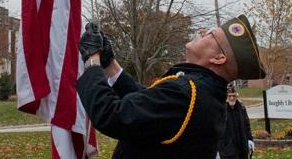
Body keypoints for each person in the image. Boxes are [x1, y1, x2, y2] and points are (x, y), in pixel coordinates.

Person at [76, 15, 266, 159]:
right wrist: (109, 64)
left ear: (218, 58)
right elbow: (151, 104)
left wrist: (92, 62)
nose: (202, 32)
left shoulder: (188, 92)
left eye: (211, 34)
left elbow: (114, 115)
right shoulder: (202, 92)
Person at [217, 86, 254, 159]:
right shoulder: (220, 109)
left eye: (233, 96)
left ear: (237, 96)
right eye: (229, 96)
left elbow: (247, 125)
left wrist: (250, 139)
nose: (231, 98)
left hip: (242, 148)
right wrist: (216, 149)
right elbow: (215, 130)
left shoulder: (241, 108)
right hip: (226, 150)